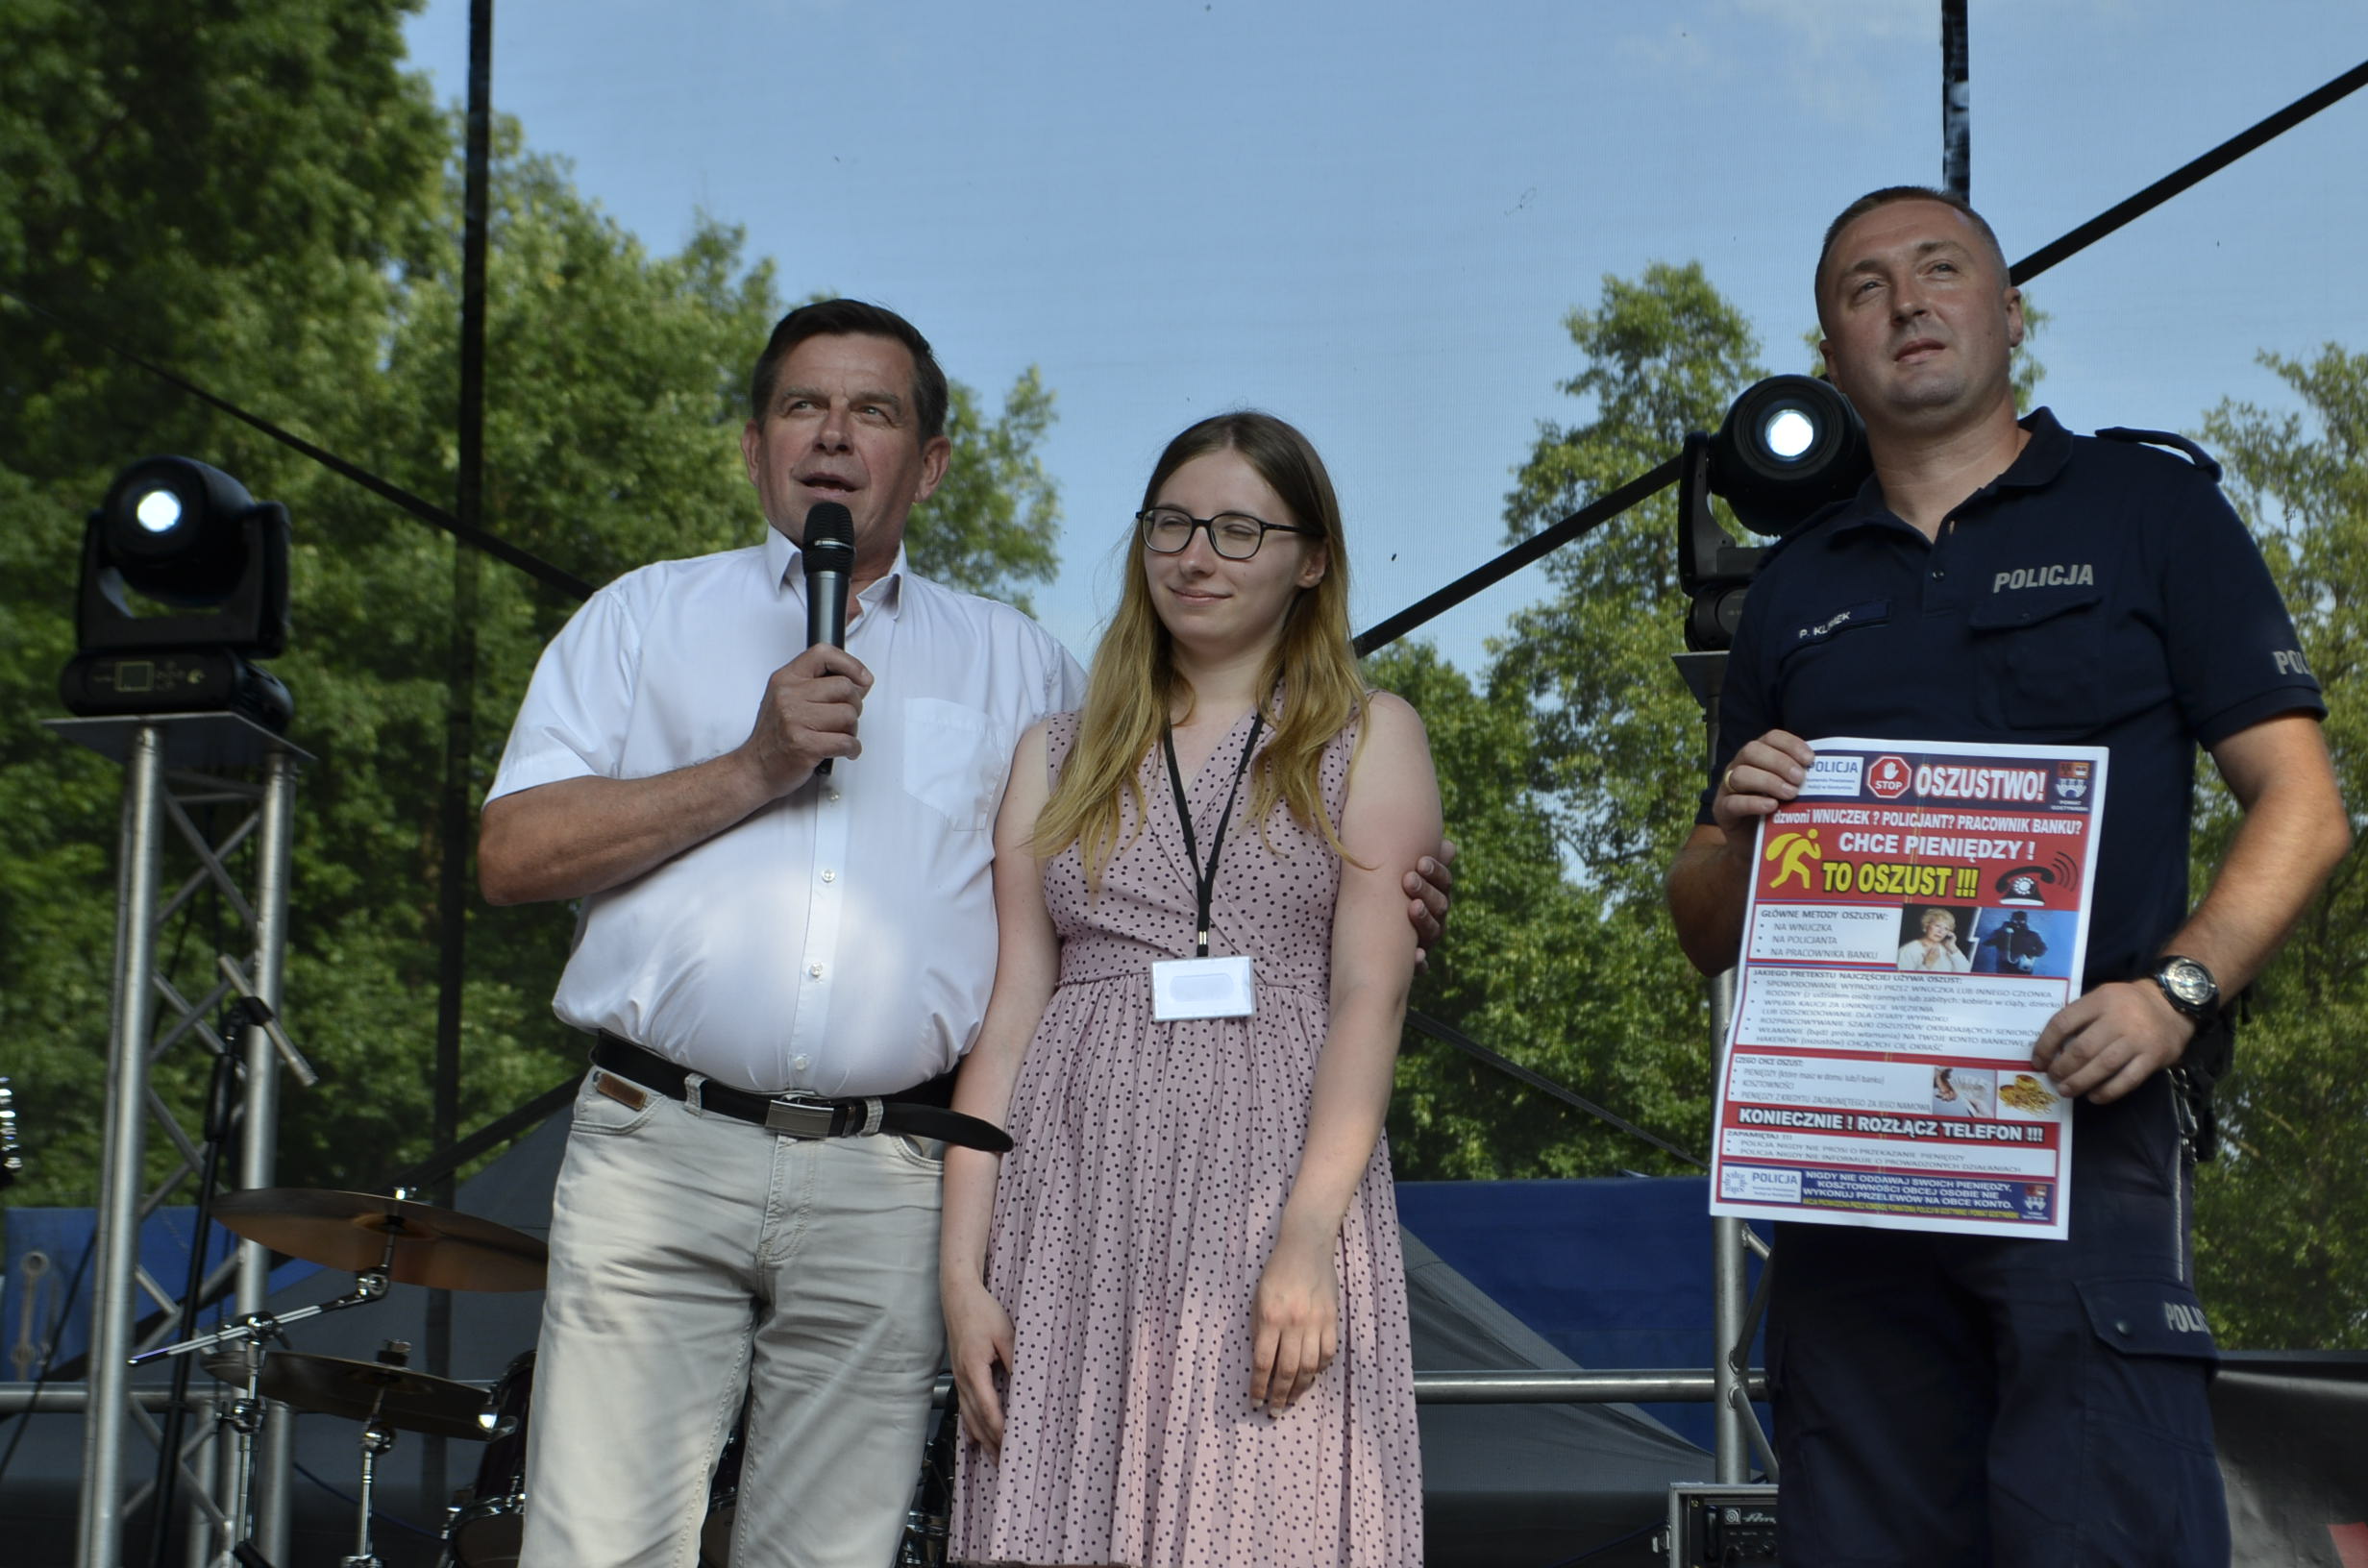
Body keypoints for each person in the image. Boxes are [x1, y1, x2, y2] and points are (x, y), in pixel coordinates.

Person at [478, 303, 1453, 1568]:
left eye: (873, 412)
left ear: (930, 462)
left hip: (887, 1170)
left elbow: (1250, 898)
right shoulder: (641, 619)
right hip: (664, 1145)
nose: (834, 437)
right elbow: (509, 856)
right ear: (753, 444)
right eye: (803, 406)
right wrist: (752, 765)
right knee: (593, 1549)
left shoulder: (1020, 668)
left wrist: (1391, 895)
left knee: (831, 1554)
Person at [1666, 187, 2350, 1567]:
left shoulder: (2149, 509)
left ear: (2010, 311)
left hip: (2079, 1123)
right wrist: (1737, 836)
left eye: (1941, 269)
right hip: (1852, 1161)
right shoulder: (1793, 585)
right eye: (1865, 287)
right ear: (1831, 350)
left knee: (2106, 1532)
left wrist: (2176, 993)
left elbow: (2305, 808)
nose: (1907, 303)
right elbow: (1700, 923)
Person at [939, 412, 1436, 1566]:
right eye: (1172, 524)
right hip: (1072, 1199)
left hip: (1270, 1191)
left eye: (1236, 529)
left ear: (1309, 560)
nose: (1195, 555)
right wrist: (962, 1274)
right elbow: (1007, 1021)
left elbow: (1370, 1000)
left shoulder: (1369, 736)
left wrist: (1307, 1236)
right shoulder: (1054, 752)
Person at [1897, 906, 1970, 972]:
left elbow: (1965, 972)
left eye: (1946, 928)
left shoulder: (1947, 950)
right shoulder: (1908, 950)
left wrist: (1953, 948)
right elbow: (1902, 980)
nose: (1940, 931)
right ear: (1926, 926)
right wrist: (1926, 965)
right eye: (1937, 926)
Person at [1982, 908, 2049, 974]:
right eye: (2015, 920)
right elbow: (1986, 942)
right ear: (2011, 920)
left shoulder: (2032, 935)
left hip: (2023, 967)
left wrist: (2031, 953)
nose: (2018, 923)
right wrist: (2002, 931)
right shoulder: (2002, 933)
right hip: (2004, 968)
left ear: (2025, 921)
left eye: (2021, 921)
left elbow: (2043, 948)